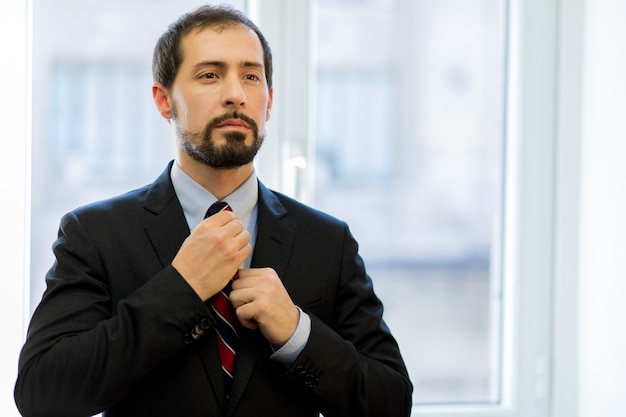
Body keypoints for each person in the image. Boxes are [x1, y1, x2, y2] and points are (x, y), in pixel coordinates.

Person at [14, 4, 412, 417]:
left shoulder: (329, 243)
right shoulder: (95, 234)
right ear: (164, 100)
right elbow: (42, 396)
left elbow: (392, 403)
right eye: (210, 74)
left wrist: (297, 334)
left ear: (269, 101)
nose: (236, 94)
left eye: (251, 76)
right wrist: (180, 290)